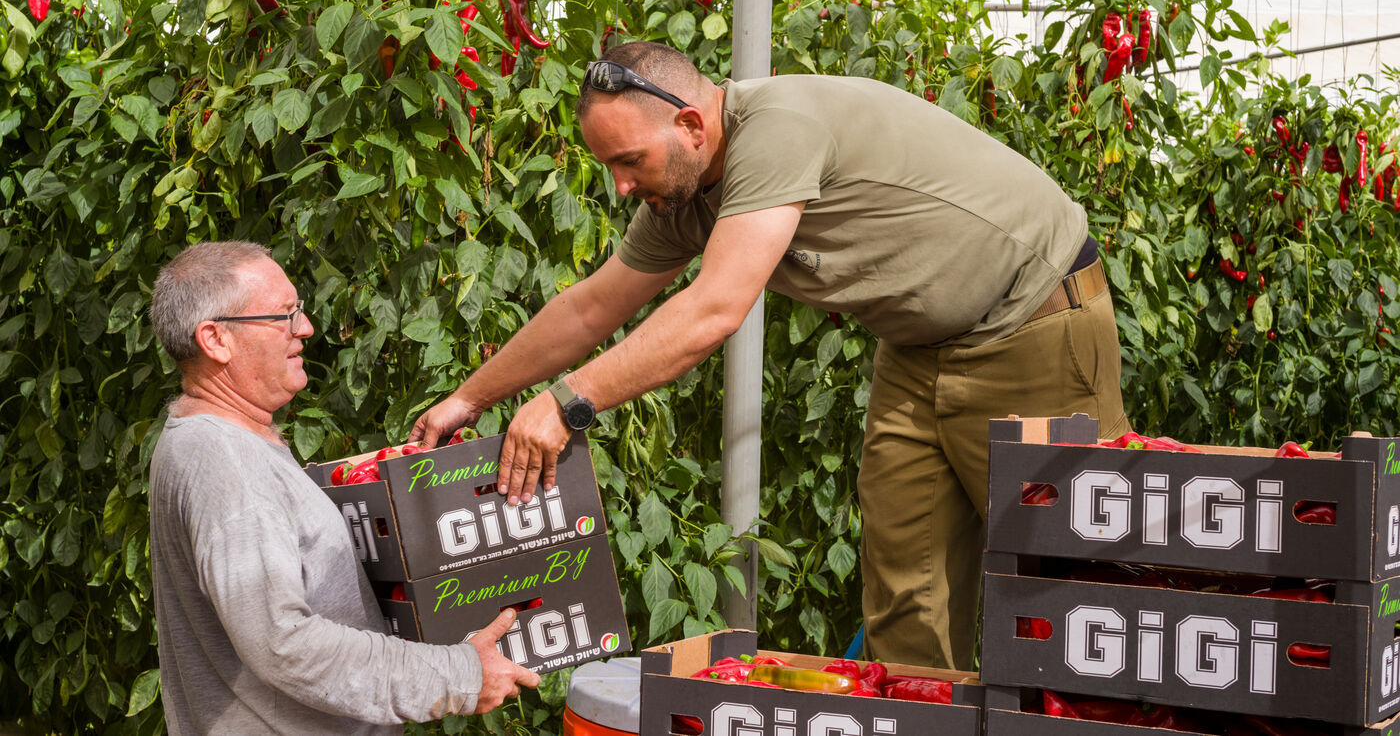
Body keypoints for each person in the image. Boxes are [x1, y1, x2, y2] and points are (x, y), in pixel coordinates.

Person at [411, 40, 1129, 670]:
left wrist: (568, 403)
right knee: (907, 596)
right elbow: (591, 307)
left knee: (1068, 586)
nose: (622, 186)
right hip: (917, 351)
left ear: (692, 125)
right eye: (611, 168)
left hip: (1036, 321)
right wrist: (468, 399)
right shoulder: (681, 193)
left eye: (629, 162)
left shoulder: (777, 129)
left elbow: (715, 310)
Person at [147, 241, 539, 735]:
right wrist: (457, 675)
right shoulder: (225, 461)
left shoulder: (223, 441)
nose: (305, 328)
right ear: (216, 339)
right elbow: (282, 643)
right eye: (284, 315)